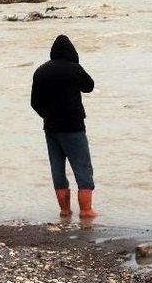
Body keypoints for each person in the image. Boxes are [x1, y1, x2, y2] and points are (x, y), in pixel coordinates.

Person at [31, 35, 98, 218]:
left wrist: (48, 115)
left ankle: (65, 210)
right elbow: (89, 86)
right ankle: (85, 210)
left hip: (51, 128)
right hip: (73, 127)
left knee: (57, 169)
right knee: (82, 168)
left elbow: (34, 103)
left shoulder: (40, 71)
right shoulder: (74, 69)